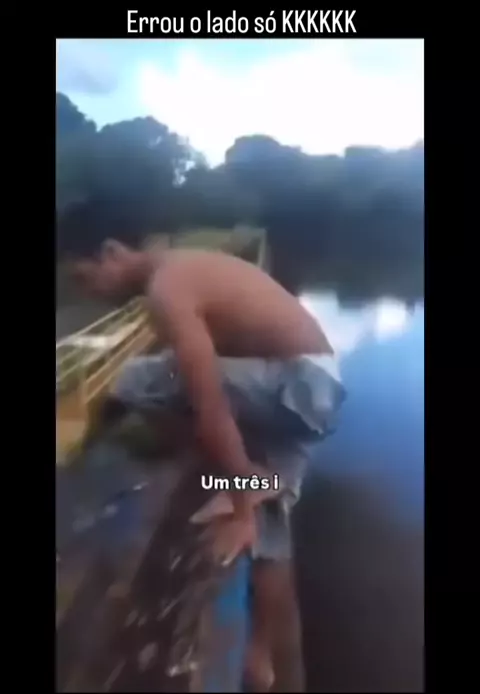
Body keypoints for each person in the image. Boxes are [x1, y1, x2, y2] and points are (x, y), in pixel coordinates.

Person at [66, 230, 345, 691]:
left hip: (299, 387)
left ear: (111, 251)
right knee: (270, 526)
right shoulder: (190, 263)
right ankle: (264, 660)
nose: (93, 293)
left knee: (138, 378)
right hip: (310, 393)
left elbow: (210, 404)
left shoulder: (167, 287)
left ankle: (248, 489)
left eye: (88, 278)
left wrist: (238, 502)